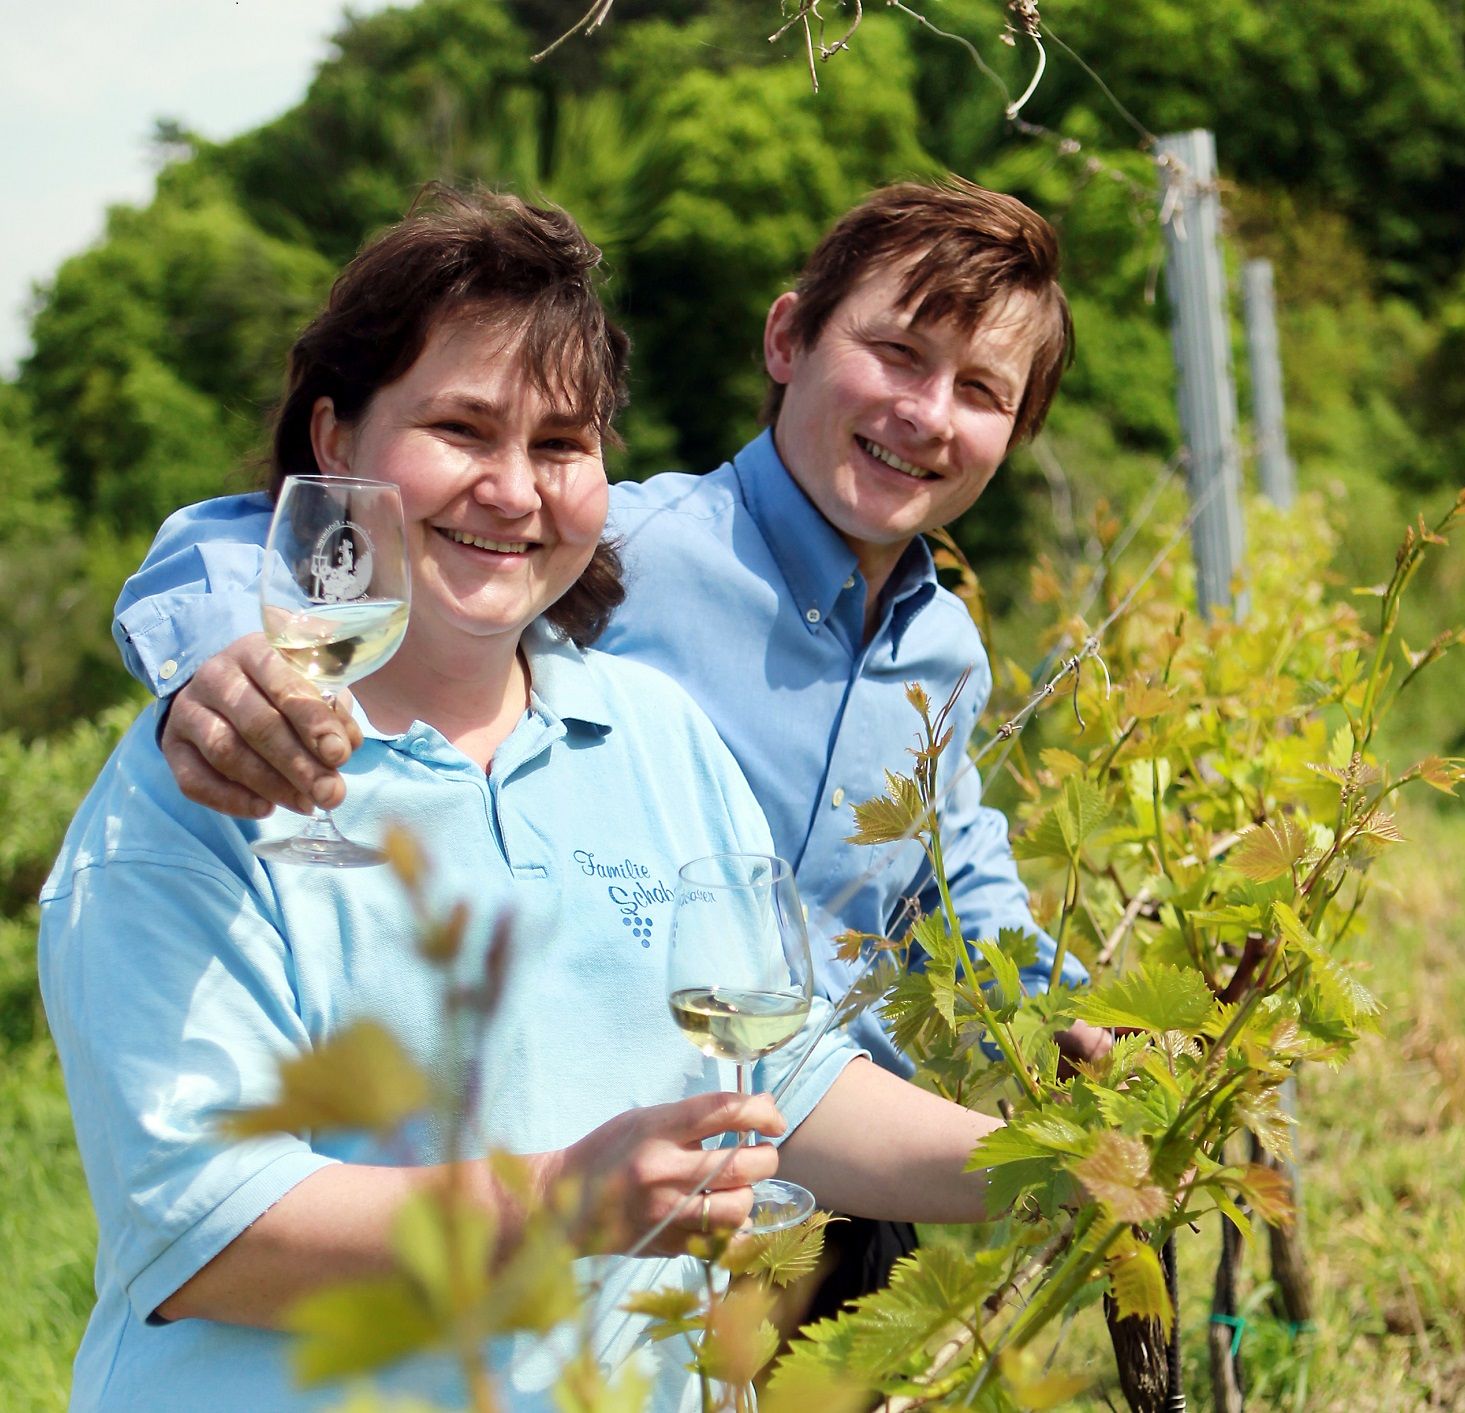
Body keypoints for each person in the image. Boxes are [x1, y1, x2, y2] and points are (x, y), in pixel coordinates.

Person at [40, 190, 1008, 1412]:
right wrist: (558, 1206)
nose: (512, 491)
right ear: (334, 442)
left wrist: (1055, 1164)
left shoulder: (651, 737)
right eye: (460, 428)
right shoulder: (203, 785)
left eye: (559, 444)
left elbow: (784, 1085)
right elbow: (209, 1230)